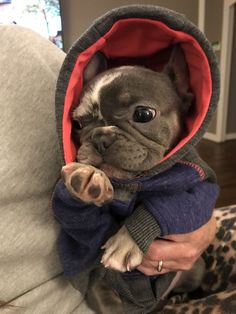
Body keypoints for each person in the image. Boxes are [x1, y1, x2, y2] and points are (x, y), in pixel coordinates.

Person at [0, 25, 235, 313]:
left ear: (182, 94)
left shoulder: (187, 169)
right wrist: (79, 196)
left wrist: (147, 226)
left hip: (175, 275)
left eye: (141, 115)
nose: (102, 138)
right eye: (84, 123)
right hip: (101, 284)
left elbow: (199, 199)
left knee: (196, 273)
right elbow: (78, 225)